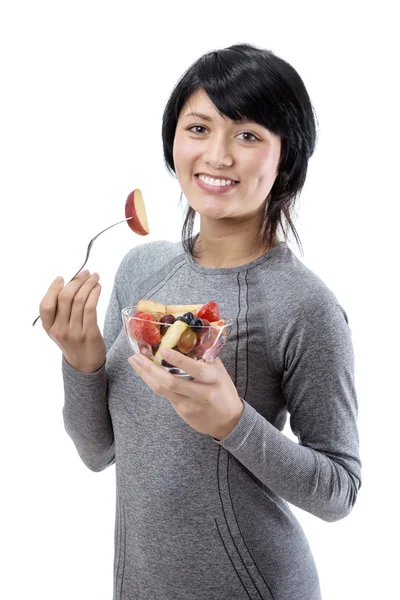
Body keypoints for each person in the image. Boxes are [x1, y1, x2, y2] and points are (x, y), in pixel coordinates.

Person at [39, 43, 362, 600]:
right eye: (198, 128)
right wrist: (82, 361)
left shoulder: (305, 306)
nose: (217, 155)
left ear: (286, 157)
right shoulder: (142, 268)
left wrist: (232, 421)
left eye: (248, 135)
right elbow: (98, 453)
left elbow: (340, 490)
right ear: (173, 140)